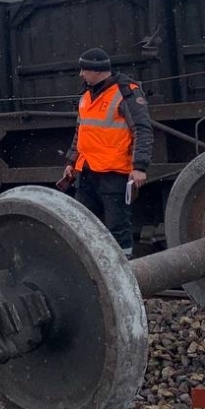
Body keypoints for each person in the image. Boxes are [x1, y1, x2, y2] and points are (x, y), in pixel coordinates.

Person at [58, 47, 153, 257]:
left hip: (114, 172)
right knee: (82, 225)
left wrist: (139, 167)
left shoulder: (125, 92)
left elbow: (142, 129)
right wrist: (71, 162)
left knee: (117, 228)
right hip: (88, 172)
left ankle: (124, 271)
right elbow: (81, 131)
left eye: (84, 70)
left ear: (97, 70)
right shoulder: (86, 96)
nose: (81, 74)